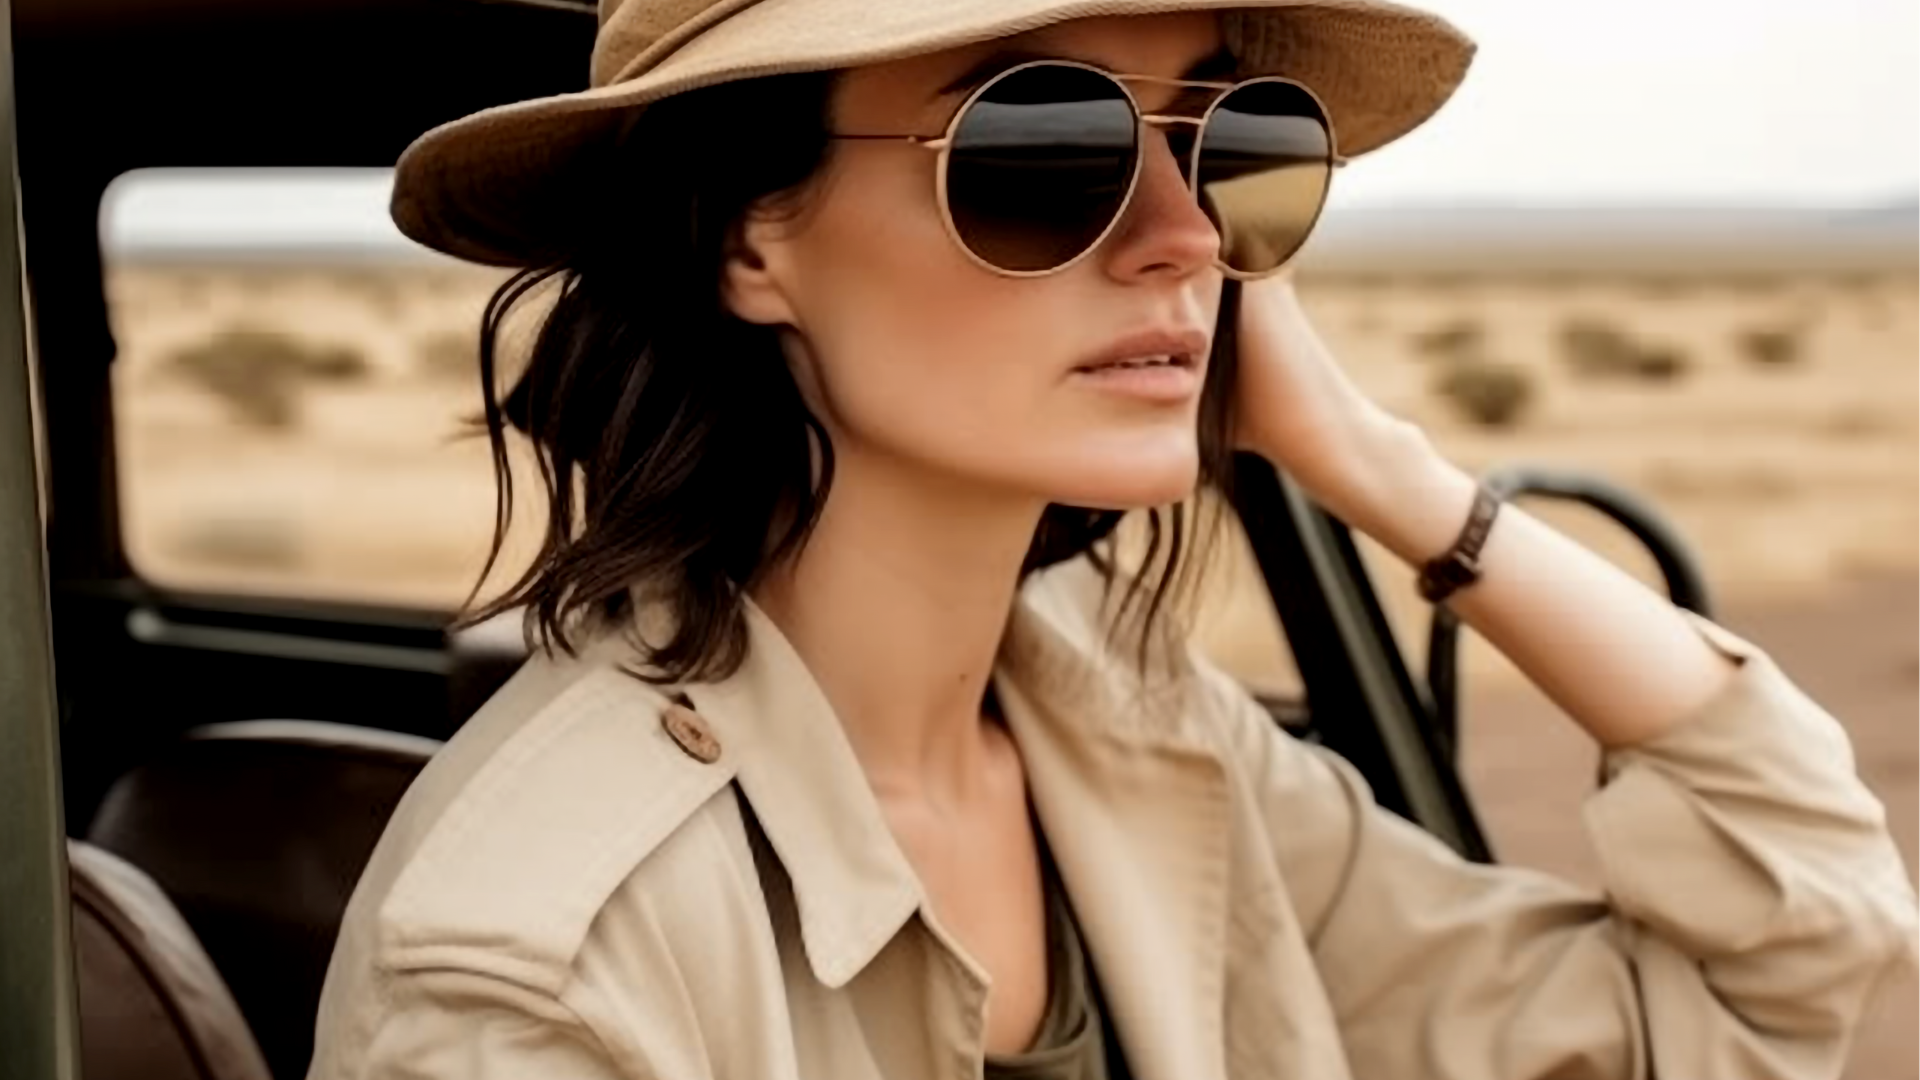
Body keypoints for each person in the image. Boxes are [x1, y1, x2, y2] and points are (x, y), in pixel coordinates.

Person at [309, 0, 1919, 1077]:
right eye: (1041, 151)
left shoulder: (1145, 744)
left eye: (1233, 146)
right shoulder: (535, 963)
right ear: (752, 237)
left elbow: (1771, 977)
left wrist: (1376, 466)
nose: (1187, 236)